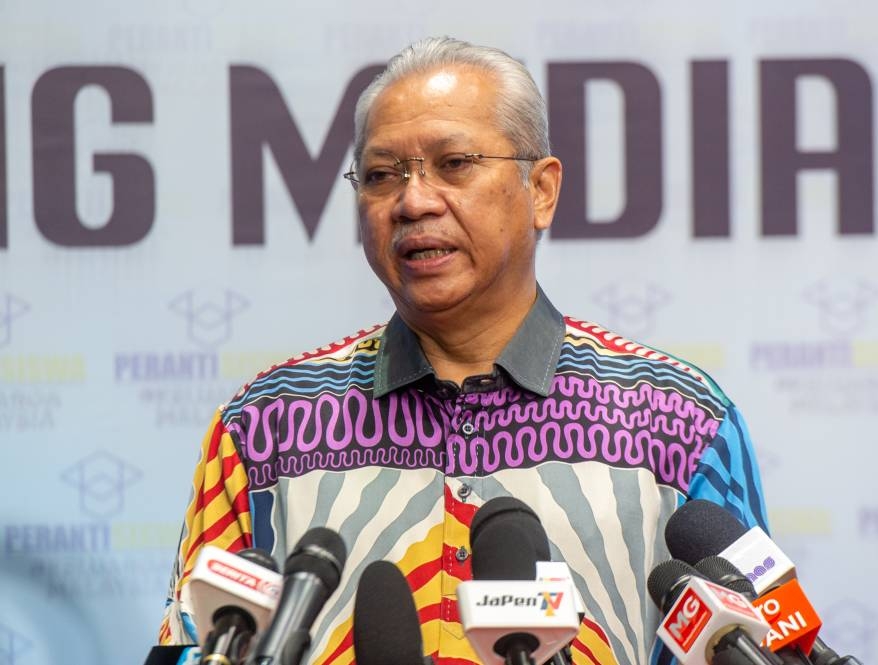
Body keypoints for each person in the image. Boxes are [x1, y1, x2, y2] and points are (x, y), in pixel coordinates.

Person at [159, 36, 768, 665]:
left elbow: (753, 645)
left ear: (541, 190)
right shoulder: (266, 425)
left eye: (454, 163)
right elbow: (193, 644)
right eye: (381, 175)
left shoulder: (679, 417)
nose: (413, 201)